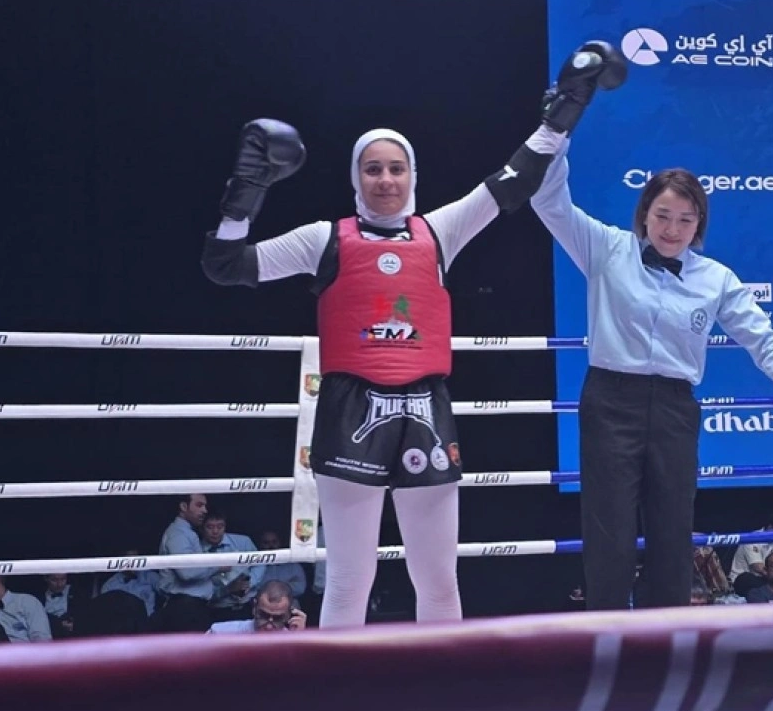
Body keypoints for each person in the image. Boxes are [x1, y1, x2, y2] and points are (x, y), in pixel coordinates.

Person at [199, 105, 572, 625]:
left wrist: (561, 117)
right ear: (356, 177)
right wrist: (245, 193)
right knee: (349, 580)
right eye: (372, 168)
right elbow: (224, 265)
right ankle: (339, 678)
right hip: (350, 407)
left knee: (439, 580)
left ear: (412, 175)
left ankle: (444, 676)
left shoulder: (439, 232)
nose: (385, 179)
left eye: (396, 168)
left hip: (425, 406)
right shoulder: (326, 239)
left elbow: (511, 183)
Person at [510, 41, 773, 610]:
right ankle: (604, 646)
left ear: (699, 224)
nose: (671, 228)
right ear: (645, 214)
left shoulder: (716, 278)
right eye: (662, 215)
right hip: (609, 402)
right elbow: (547, 197)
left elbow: (763, 341)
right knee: (609, 539)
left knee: (673, 541)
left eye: (685, 219)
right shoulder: (606, 248)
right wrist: (558, 127)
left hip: (674, 409)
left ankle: (668, 649)